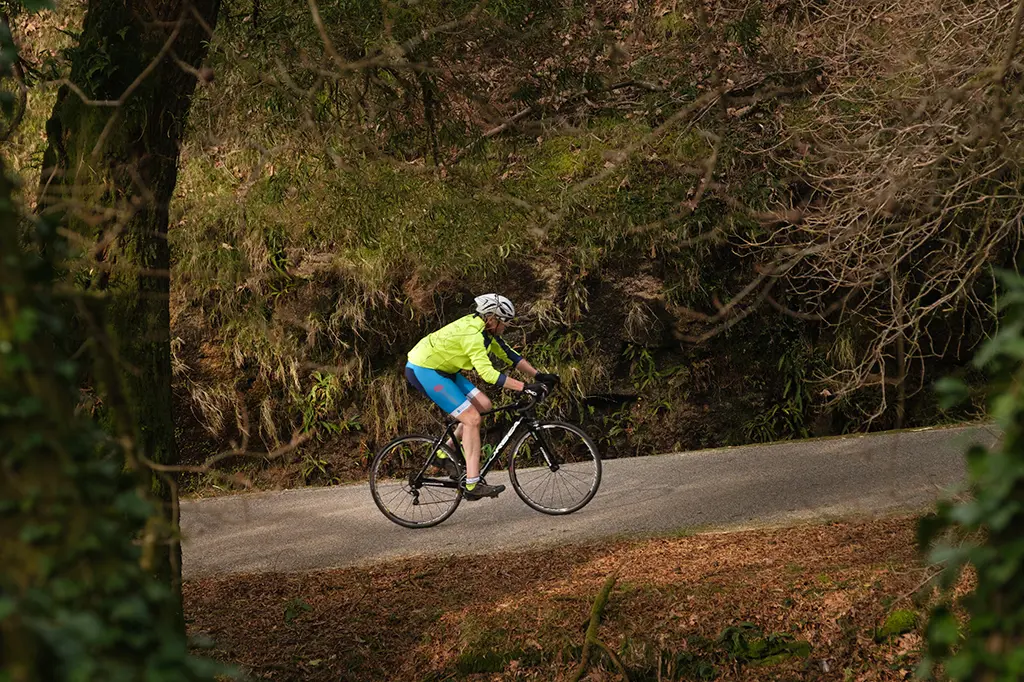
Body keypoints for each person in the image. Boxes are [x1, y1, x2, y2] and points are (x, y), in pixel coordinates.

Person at [404, 294, 559, 499]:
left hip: (443, 368)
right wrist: (525, 387)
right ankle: (472, 484)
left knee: (484, 404)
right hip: (423, 369)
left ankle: (443, 453)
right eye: (504, 322)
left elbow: (510, 355)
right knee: (472, 419)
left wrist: (539, 375)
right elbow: (488, 375)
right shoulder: (473, 335)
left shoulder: (487, 333)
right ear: (491, 318)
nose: (506, 327)